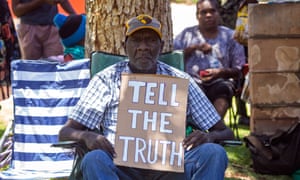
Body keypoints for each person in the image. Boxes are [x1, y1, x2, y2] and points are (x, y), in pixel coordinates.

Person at [59, 14, 234, 179]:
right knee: (94, 159)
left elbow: (225, 132)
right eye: (136, 40)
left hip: (171, 168)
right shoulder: (106, 80)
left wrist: (209, 137)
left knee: (214, 152)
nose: (143, 47)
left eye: (151, 40)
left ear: (162, 45)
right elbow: (66, 132)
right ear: (124, 45)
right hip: (120, 165)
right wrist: (86, 136)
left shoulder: (181, 81)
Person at [173, 0, 246, 119]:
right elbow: (173, 60)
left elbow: (239, 69)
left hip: (221, 82)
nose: (208, 15)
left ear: (219, 13)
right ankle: (195, 129)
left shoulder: (231, 36)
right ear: (197, 16)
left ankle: (213, 128)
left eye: (212, 11)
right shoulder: (186, 35)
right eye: (203, 12)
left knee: (223, 90)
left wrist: (220, 72)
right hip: (193, 83)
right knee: (191, 91)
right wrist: (192, 48)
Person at [11, 0, 76, 60]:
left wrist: (75, 16)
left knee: (55, 64)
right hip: (29, 27)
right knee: (31, 66)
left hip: (52, 26)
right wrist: (41, 1)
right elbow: (16, 11)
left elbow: (63, 1)